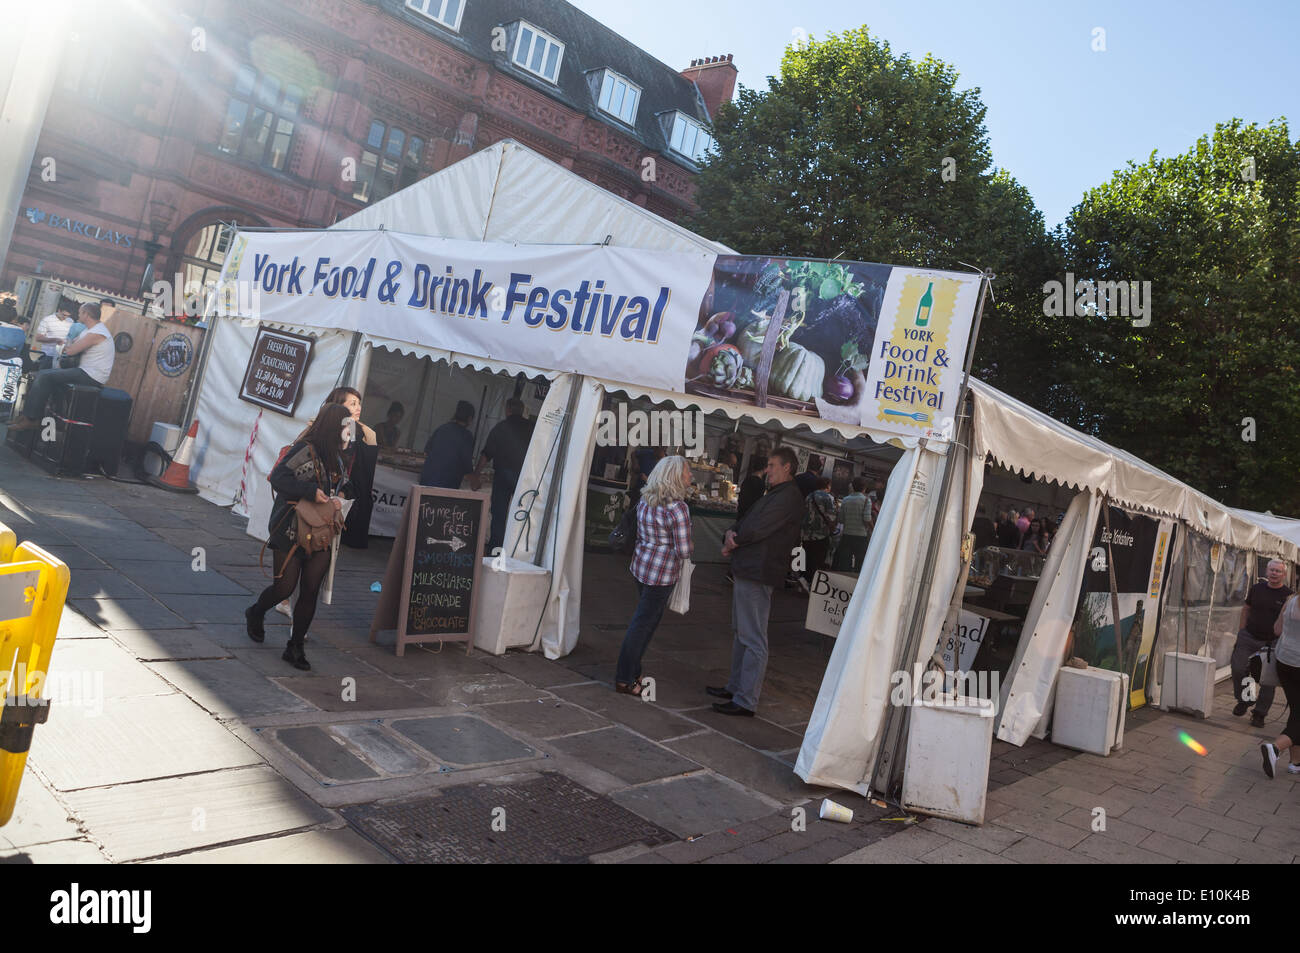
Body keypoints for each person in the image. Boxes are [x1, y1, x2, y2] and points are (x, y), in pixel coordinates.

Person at [245, 403, 355, 671]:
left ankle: (295, 647)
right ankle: (256, 612)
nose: (348, 434)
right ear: (334, 427)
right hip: (290, 528)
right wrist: (309, 491)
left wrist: (340, 497)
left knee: (310, 590)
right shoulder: (305, 449)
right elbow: (278, 478)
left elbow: (345, 485)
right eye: (345, 428)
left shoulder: (339, 458)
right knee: (285, 587)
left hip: (321, 532)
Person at [708, 446, 805, 716]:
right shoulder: (777, 493)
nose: (768, 470)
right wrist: (730, 534)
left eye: (773, 465)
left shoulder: (788, 497)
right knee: (742, 632)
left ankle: (745, 699)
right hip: (749, 567)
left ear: (787, 467)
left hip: (758, 570)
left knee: (753, 637)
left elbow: (759, 527)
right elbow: (748, 520)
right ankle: (736, 687)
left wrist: (733, 541)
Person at [615, 456, 693, 696]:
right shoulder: (678, 509)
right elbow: (684, 551)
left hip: (641, 567)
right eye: (688, 472)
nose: (691, 476)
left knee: (645, 621)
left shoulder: (646, 500)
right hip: (661, 574)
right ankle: (624, 678)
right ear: (676, 476)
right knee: (642, 625)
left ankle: (634, 671)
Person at [9, 302, 114, 431]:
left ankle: (32, 419)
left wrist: (69, 347)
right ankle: (26, 416)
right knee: (42, 375)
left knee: (44, 376)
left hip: (92, 375)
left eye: (80, 312)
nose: (78, 315)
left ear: (86, 314)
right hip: (85, 370)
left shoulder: (97, 332)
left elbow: (70, 351)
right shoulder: (89, 330)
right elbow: (69, 346)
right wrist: (69, 347)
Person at [1232, 559, 1293, 727]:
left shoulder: (1288, 595)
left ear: (1284, 574)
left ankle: (1259, 714)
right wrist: (1241, 630)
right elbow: (1246, 608)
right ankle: (1246, 699)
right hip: (1248, 636)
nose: (1274, 573)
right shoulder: (1256, 588)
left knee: (1268, 679)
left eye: (1278, 571)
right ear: (1267, 571)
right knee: (1238, 669)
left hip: (1272, 642)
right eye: (1272, 570)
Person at [475, 397, 535, 553]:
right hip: (524, 476)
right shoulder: (532, 428)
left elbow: (486, 454)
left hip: (503, 474)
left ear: (507, 409)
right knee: (523, 514)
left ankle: (496, 548)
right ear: (522, 411)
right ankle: (518, 549)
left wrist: (476, 474)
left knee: (499, 513)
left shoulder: (501, 427)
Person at [1260, 592, 1300, 778]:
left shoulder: (1291, 600)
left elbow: (1277, 630)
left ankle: (1295, 762)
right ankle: (1275, 748)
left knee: (1297, 711)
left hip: (1284, 661)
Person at [419, 400, 481, 490]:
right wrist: (475, 481)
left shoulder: (442, 428)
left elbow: (427, 450)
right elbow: (466, 463)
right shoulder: (466, 436)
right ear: (470, 418)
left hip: (426, 479)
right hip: (445, 483)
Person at [800, 475, 837, 589]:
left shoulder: (809, 496)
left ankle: (804, 580)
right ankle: (813, 584)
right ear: (827, 485)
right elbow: (831, 517)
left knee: (807, 557)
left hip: (806, 534)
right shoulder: (828, 497)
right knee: (818, 559)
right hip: (821, 534)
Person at [832, 477, 872, 572]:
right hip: (861, 536)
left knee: (844, 562)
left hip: (847, 535)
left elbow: (841, 519)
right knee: (860, 563)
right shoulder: (866, 500)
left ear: (853, 487)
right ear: (865, 488)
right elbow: (867, 519)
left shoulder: (846, 499)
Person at [33, 302, 75, 370]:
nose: (65, 317)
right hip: (48, 355)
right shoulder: (47, 320)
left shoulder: (71, 321)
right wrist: (55, 340)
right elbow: (38, 338)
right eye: (64, 315)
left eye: (68, 316)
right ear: (59, 310)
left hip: (63, 356)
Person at [736, 455, 767, 520]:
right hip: (749, 517)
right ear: (764, 468)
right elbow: (757, 503)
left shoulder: (747, 479)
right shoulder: (760, 483)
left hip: (741, 513)